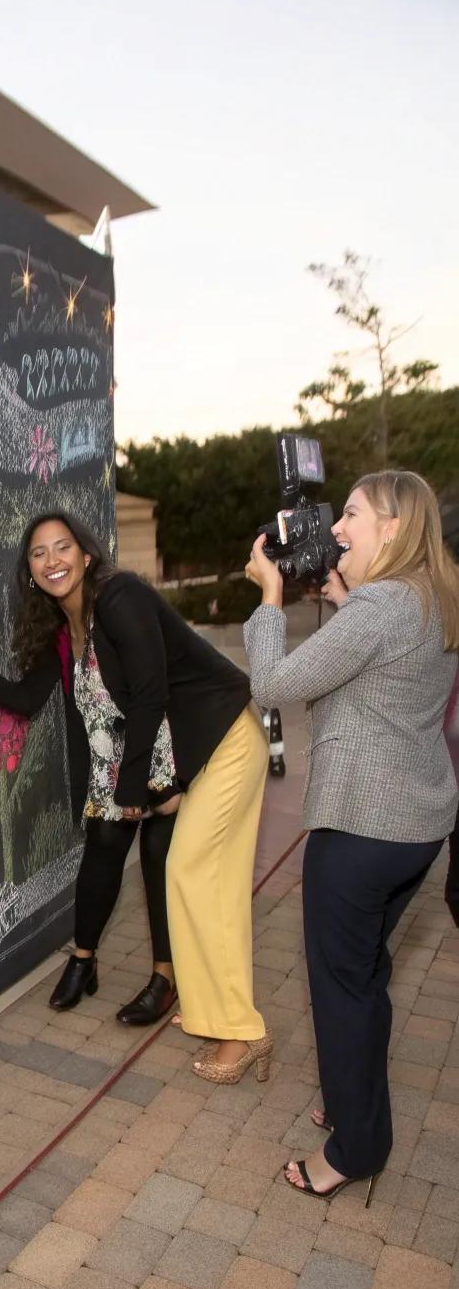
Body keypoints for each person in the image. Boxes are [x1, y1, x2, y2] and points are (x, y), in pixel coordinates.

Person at [0, 512, 272, 1081]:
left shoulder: (120, 597)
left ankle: (173, 984)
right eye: (39, 554)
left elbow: (150, 695)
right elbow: (29, 699)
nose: (53, 560)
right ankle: (95, 964)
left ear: (86, 555)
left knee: (169, 862)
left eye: (63, 547)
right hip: (134, 760)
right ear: (29, 572)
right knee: (124, 855)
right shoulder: (62, 631)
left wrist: (144, 791)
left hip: (189, 744)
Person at [244, 470, 459, 1201]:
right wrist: (341, 602)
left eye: (354, 516)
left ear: (393, 525)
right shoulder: (434, 596)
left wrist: (269, 596)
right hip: (417, 827)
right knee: (364, 977)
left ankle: (356, 1148)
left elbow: (272, 685)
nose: (337, 529)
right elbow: (380, 667)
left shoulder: (381, 605)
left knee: (341, 987)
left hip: (362, 828)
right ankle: (348, 1098)